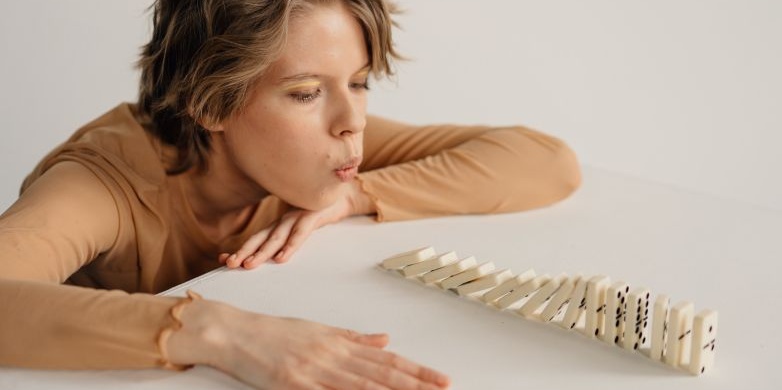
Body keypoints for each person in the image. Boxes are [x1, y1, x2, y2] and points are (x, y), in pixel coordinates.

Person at [0, 0, 581, 389]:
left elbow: (546, 161)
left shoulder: (323, 149)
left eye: (359, 83)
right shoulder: (104, 182)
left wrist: (354, 198)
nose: (351, 121)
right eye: (306, 93)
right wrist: (223, 332)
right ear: (210, 103)